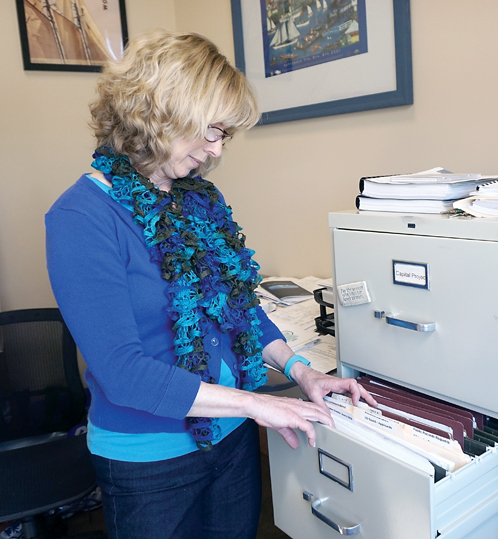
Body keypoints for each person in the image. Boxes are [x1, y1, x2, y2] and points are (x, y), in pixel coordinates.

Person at [45, 30, 375, 539]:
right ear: (160, 111)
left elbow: (240, 309)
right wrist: (255, 402)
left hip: (231, 439)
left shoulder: (198, 199)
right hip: (150, 462)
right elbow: (123, 373)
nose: (217, 148)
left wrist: (300, 372)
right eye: (211, 129)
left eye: (225, 134)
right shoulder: (80, 217)